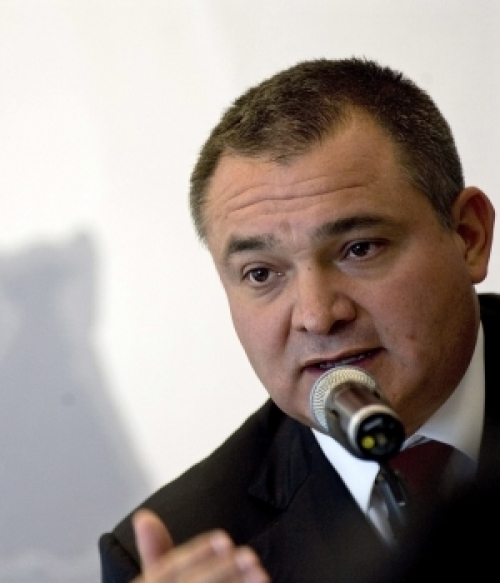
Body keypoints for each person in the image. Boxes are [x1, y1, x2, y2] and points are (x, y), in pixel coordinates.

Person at [98, 57, 499, 582]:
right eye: (262, 274)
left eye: (360, 248)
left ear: (468, 236)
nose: (316, 316)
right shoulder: (179, 547)